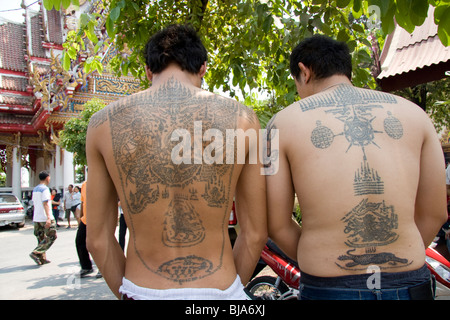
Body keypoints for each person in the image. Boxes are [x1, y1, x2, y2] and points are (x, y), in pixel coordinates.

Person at [86, 24, 267, 300]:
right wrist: (229, 292)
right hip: (221, 289)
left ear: (148, 70)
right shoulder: (243, 120)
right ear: (203, 68)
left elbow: (97, 240)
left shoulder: (101, 125)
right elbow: (254, 233)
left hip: (141, 289)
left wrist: (129, 294)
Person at [265, 35, 448, 300]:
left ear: (304, 72)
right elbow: (435, 213)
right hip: (409, 281)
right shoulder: (416, 115)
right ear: (345, 69)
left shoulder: (281, 124)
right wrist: (397, 255)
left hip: (328, 286)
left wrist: (322, 256)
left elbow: (277, 224)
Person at [29, 171, 57, 265]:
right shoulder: (45, 189)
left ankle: (42, 258)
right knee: (52, 236)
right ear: (47, 178)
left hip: (37, 217)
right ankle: (36, 252)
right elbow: (45, 203)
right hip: (44, 217)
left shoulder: (35, 189)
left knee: (41, 239)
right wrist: (49, 217)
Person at [75, 181, 94, 277]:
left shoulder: (101, 182)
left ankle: (103, 269)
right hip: (85, 220)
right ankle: (86, 267)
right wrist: (80, 217)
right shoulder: (84, 185)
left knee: (97, 245)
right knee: (79, 241)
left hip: (97, 219)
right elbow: (83, 202)